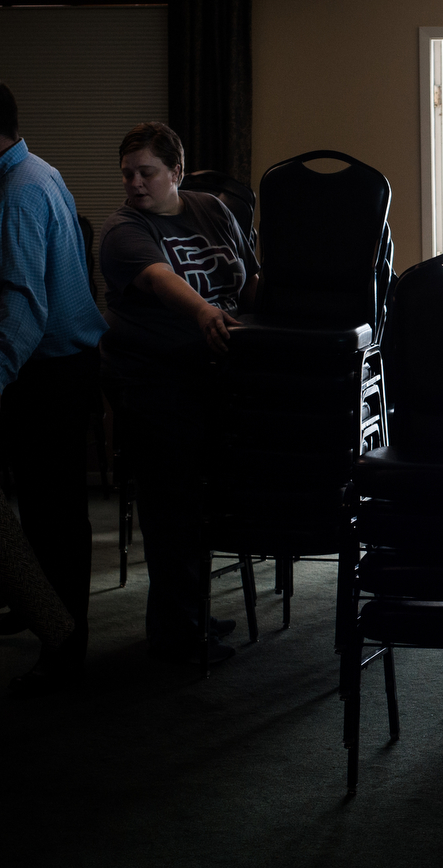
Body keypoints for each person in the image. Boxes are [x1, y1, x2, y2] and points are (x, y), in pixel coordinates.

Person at [0, 77, 107, 698]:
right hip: (59, 370)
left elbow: (23, 306)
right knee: (50, 514)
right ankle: (48, 617)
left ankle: (63, 651)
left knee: (53, 519)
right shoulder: (38, 171)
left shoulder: (16, 193)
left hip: (46, 375)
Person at [98, 122, 260, 665]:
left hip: (214, 381)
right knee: (171, 510)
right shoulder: (123, 230)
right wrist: (206, 314)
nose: (136, 184)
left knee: (200, 507)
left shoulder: (211, 209)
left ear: (177, 172)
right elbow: (162, 282)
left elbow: (250, 276)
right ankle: (176, 635)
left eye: (147, 173)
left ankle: (191, 615)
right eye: (128, 174)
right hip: (156, 384)